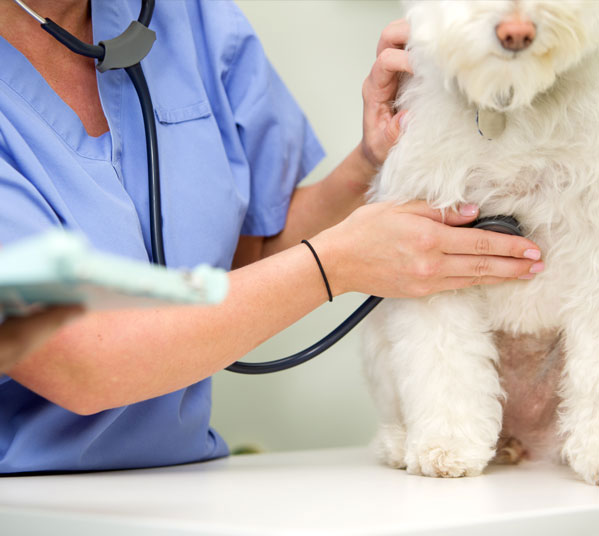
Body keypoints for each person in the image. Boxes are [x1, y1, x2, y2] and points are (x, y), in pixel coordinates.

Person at [0, 1, 543, 473]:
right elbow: (78, 363)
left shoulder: (189, 18)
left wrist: (371, 162)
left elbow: (252, 260)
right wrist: (335, 266)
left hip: (188, 480)